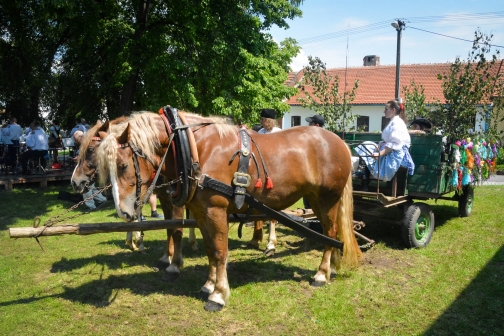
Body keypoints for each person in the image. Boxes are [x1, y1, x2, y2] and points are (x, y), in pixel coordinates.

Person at [355, 100, 415, 190]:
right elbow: (389, 140)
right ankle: (364, 175)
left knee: (369, 149)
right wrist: (381, 144)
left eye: (386, 109)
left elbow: (394, 144)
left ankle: (365, 179)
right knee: (367, 145)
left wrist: (379, 154)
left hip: (395, 153)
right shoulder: (394, 121)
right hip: (390, 148)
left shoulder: (397, 123)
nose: (384, 111)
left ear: (393, 110)